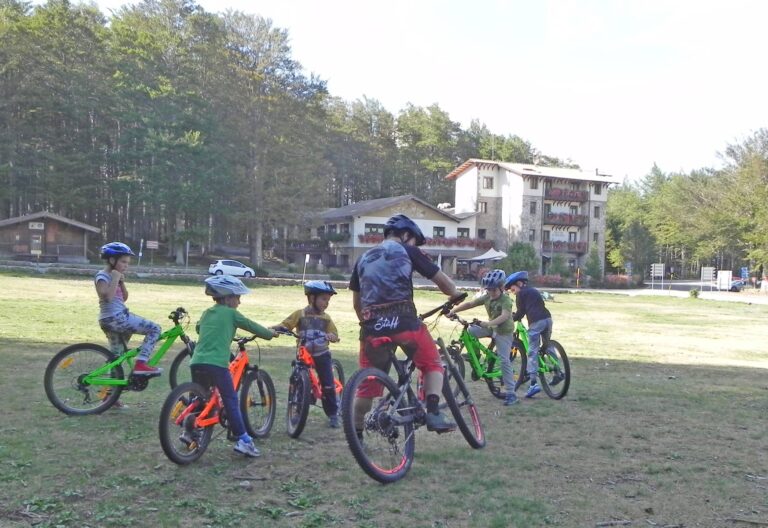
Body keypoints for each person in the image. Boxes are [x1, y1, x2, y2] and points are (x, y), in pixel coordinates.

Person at [349, 213, 462, 433]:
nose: (414, 245)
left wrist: (372, 322)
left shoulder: (363, 258)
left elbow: (357, 304)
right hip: (404, 322)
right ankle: (433, 413)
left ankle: (357, 436)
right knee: (432, 364)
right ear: (406, 235)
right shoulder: (408, 251)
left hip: (372, 328)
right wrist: (455, 294)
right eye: (414, 241)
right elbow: (446, 285)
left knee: (367, 387)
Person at [190, 275, 278, 458]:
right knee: (230, 399)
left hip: (196, 361)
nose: (239, 302)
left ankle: (191, 432)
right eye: (238, 297)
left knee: (201, 397)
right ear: (228, 297)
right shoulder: (232, 314)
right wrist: (270, 334)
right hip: (217, 364)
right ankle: (244, 440)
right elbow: (251, 325)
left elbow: (198, 328)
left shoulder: (207, 313)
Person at [275, 280, 342, 428]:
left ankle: (332, 413)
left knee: (328, 385)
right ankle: (298, 411)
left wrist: (332, 336)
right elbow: (286, 324)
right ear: (312, 298)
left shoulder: (326, 318)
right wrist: (276, 329)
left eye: (328, 300)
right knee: (299, 383)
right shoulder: (300, 314)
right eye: (324, 299)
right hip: (303, 354)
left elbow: (334, 333)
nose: (326, 303)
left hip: (322, 354)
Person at [450, 269, 519, 406]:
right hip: (491, 327)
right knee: (471, 331)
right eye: (488, 289)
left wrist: (488, 324)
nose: (491, 292)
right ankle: (475, 356)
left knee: (504, 361)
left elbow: (504, 316)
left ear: (501, 287)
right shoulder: (487, 297)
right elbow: (470, 304)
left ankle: (511, 393)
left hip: (504, 331)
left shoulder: (506, 300)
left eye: (494, 290)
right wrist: (453, 310)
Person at [95, 242, 162, 378]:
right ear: (112, 260)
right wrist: (115, 278)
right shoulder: (102, 276)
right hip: (116, 318)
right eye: (123, 262)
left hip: (112, 319)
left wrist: (121, 282)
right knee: (155, 329)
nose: (126, 265)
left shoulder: (116, 277)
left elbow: (124, 298)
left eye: (128, 263)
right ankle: (141, 363)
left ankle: (112, 390)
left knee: (117, 357)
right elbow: (107, 297)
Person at [504, 270, 555, 398]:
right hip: (548, 319)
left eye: (512, 288)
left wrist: (511, 319)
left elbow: (520, 312)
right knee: (547, 344)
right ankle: (557, 369)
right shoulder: (534, 290)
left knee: (532, 351)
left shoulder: (520, 294)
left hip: (536, 322)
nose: (512, 291)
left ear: (519, 284)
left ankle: (533, 383)